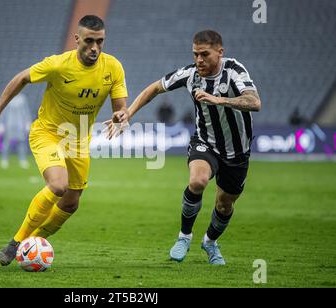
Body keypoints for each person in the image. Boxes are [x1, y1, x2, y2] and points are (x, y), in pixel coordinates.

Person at [0, 15, 128, 266]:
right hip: (47, 133)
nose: (95, 47)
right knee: (58, 185)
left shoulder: (113, 67)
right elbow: (21, 78)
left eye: (100, 42)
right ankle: (15, 244)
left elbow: (120, 107)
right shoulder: (58, 65)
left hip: (79, 140)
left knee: (71, 203)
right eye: (89, 41)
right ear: (77, 38)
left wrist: (120, 116)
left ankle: (31, 244)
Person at [107, 30, 261, 265]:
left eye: (204, 54)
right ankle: (184, 237)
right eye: (195, 54)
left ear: (220, 52)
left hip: (238, 151)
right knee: (197, 181)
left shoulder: (234, 71)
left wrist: (219, 99)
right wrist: (128, 113)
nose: (199, 60)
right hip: (205, 142)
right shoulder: (190, 74)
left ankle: (210, 242)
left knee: (224, 203)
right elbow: (155, 88)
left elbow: (254, 102)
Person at [0, 93, 32, 169]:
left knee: (22, 143)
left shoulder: (22, 98)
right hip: (9, 124)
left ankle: (22, 160)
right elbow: (3, 112)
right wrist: (1, 123)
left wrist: (28, 122)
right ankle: (4, 160)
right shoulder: (7, 97)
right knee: (7, 143)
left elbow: (26, 112)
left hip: (20, 125)